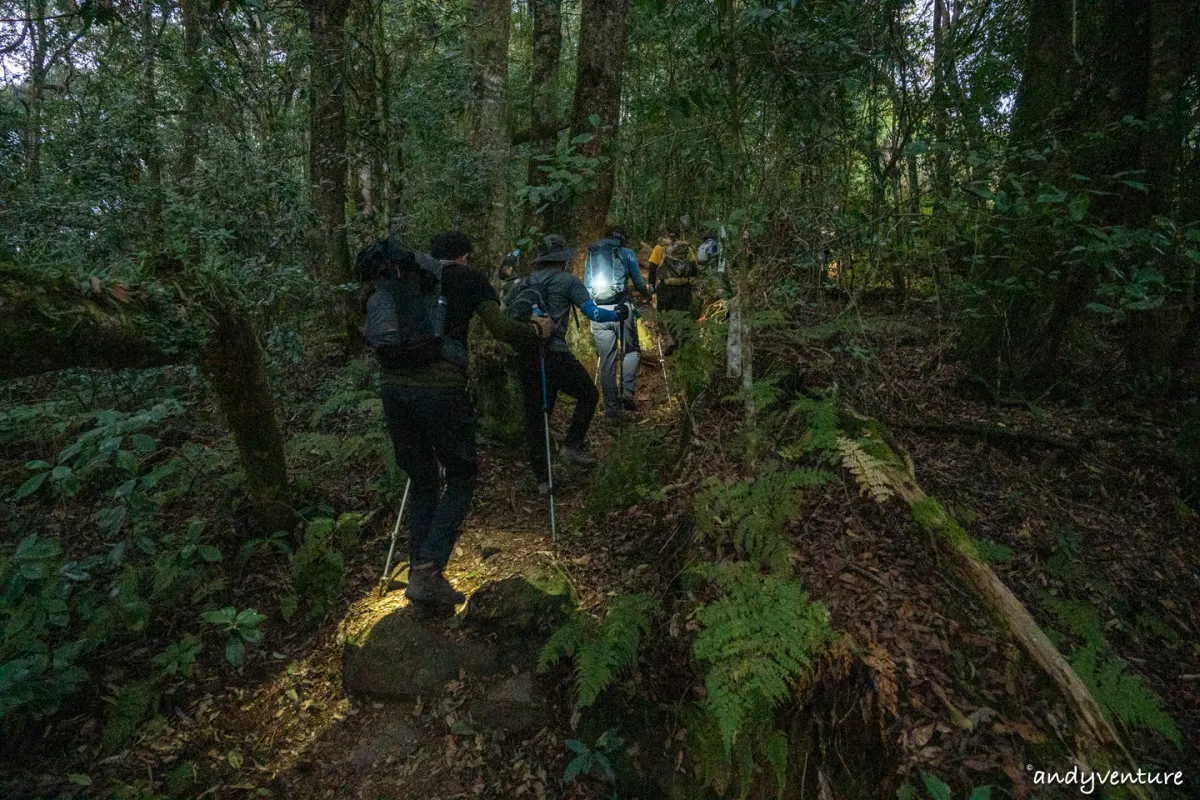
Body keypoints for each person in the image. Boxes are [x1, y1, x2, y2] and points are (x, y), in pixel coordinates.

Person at [362, 232, 551, 610]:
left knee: (422, 478)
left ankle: (421, 571)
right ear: (465, 256)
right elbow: (500, 330)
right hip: (441, 389)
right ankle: (428, 571)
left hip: (392, 388)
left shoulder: (405, 278)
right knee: (462, 475)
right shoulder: (468, 278)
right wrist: (537, 331)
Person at [506, 234, 624, 494]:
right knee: (589, 394)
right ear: (563, 260)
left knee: (537, 416)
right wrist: (616, 313)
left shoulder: (523, 282)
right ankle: (571, 446)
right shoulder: (567, 280)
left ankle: (542, 481)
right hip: (555, 355)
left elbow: (505, 310)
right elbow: (592, 312)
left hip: (526, 357)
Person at [583, 227, 653, 419]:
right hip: (622, 309)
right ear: (622, 239)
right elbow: (638, 282)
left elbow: (586, 285)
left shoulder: (592, 254)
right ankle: (627, 393)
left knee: (607, 362)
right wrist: (648, 293)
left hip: (598, 312)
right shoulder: (627, 253)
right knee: (632, 350)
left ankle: (611, 411)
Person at [648, 225, 699, 354]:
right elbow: (694, 268)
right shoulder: (686, 248)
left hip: (666, 287)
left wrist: (652, 286)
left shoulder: (660, 248)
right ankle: (682, 345)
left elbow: (653, 268)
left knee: (662, 314)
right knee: (682, 314)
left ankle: (669, 341)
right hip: (684, 288)